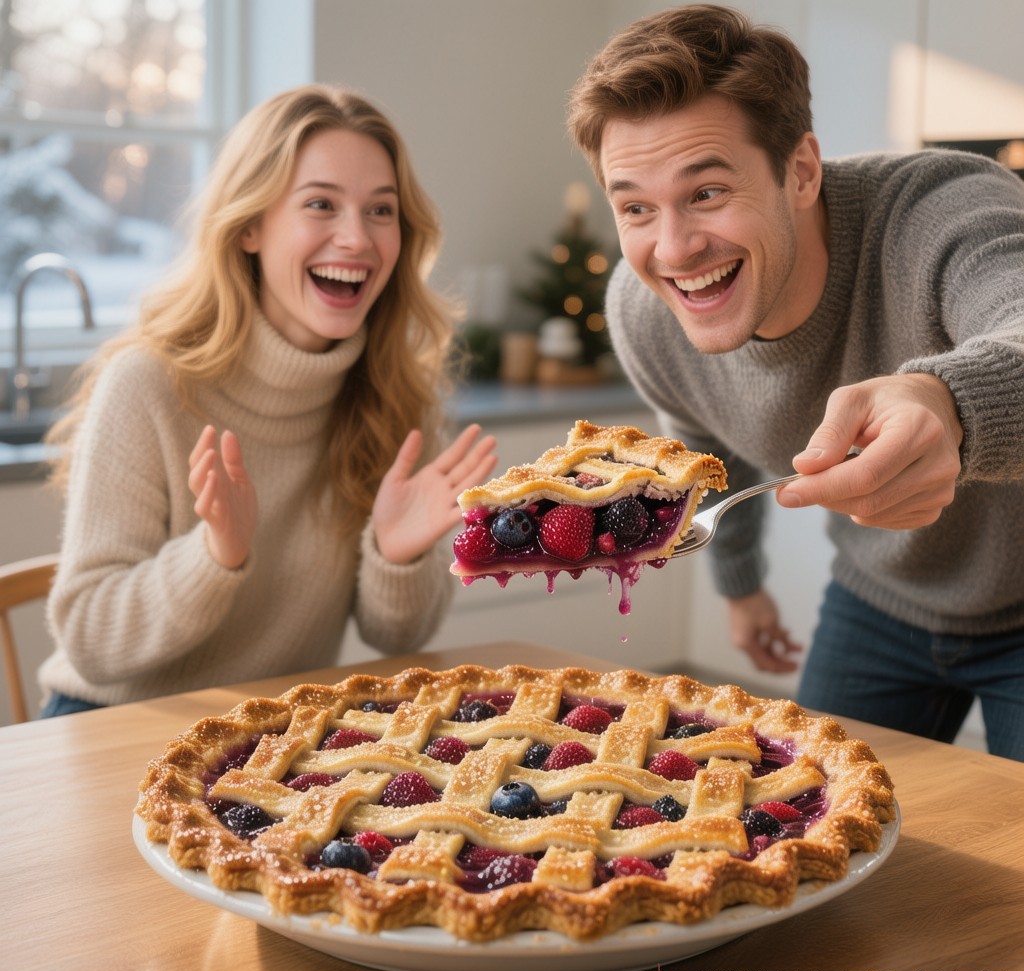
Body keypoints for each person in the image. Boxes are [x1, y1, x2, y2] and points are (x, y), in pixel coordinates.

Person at [567, 5, 1024, 759]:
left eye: (707, 192)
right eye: (636, 208)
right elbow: (708, 446)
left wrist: (946, 401)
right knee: (811, 820)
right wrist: (741, 585)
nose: (674, 248)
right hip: (884, 601)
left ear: (802, 170)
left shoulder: (942, 211)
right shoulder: (644, 314)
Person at [38, 85, 497, 716]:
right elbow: (89, 639)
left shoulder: (396, 397)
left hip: (272, 742)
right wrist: (214, 554)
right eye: (320, 204)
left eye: (380, 211)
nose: (357, 239)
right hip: (111, 728)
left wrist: (398, 553)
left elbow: (398, 637)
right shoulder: (148, 383)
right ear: (251, 224)